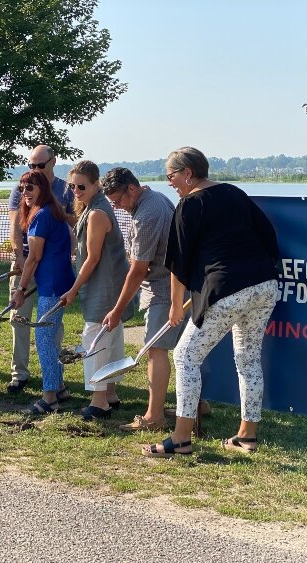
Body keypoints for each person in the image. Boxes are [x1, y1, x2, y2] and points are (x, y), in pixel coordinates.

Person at [142, 147, 279, 458]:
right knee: (248, 359)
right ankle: (247, 435)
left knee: (185, 357)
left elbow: (178, 263)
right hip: (265, 284)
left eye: (171, 176)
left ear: (188, 173)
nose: (170, 183)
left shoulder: (188, 205)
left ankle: (180, 439)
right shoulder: (234, 192)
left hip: (227, 286)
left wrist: (176, 305)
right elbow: (268, 236)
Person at [101, 168, 187, 431]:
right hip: (178, 284)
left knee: (156, 350)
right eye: (112, 203)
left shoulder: (146, 216)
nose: (116, 207)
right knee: (187, 350)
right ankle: (195, 404)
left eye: (118, 200)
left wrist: (117, 310)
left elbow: (138, 270)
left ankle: (154, 417)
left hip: (164, 289)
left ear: (132, 188)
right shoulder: (157, 197)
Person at [61, 160, 129, 421]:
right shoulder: (93, 207)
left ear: (95, 184)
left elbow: (92, 257)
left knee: (95, 339)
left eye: (82, 186)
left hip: (105, 285)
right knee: (111, 338)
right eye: (72, 186)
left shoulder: (97, 213)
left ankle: (99, 401)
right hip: (110, 284)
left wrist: (73, 289)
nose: (76, 191)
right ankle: (110, 393)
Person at [6, 144, 75, 393]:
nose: (25, 191)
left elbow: (72, 225)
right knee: (21, 320)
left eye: (39, 166)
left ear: (53, 162)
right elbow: (16, 225)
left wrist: (23, 284)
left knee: (46, 333)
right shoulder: (29, 201)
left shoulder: (58, 199)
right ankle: (21, 374)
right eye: (31, 166)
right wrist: (19, 258)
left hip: (49, 275)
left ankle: (53, 389)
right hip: (32, 266)